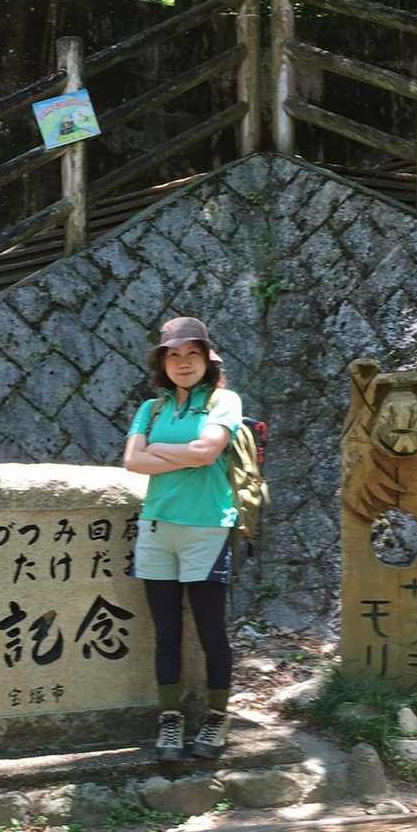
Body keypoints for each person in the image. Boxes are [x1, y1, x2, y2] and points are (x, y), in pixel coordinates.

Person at [123, 316, 243, 761]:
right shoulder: (151, 409)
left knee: (211, 631)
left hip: (206, 528)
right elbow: (132, 462)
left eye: (193, 353)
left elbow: (208, 452)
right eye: (173, 355)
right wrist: (185, 456)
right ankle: (170, 718)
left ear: (208, 360)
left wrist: (158, 451)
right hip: (156, 528)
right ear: (162, 363)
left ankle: (217, 715)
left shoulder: (222, 400)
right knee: (166, 633)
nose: (183, 362)